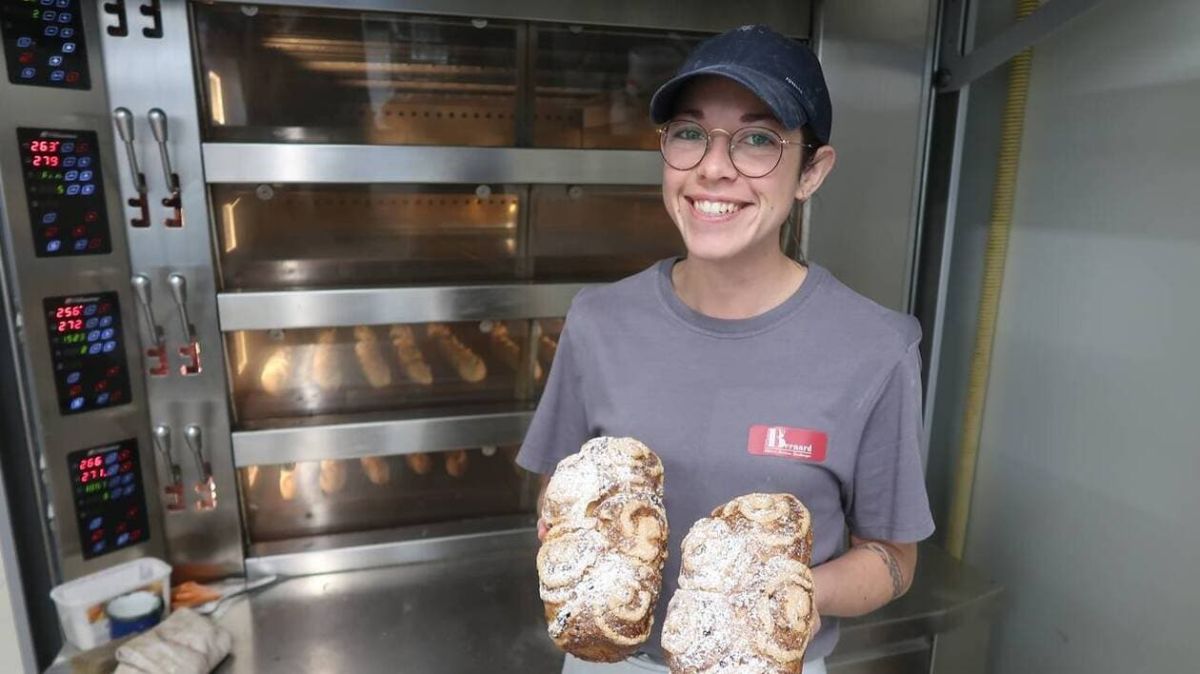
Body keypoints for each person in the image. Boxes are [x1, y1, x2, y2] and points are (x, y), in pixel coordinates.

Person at [517, 25, 934, 674]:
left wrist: (779, 596)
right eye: (689, 133)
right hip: (609, 662)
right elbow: (561, 493)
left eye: (758, 139)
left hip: (768, 655)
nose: (714, 166)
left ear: (811, 172)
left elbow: (894, 559)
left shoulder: (875, 348)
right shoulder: (599, 320)